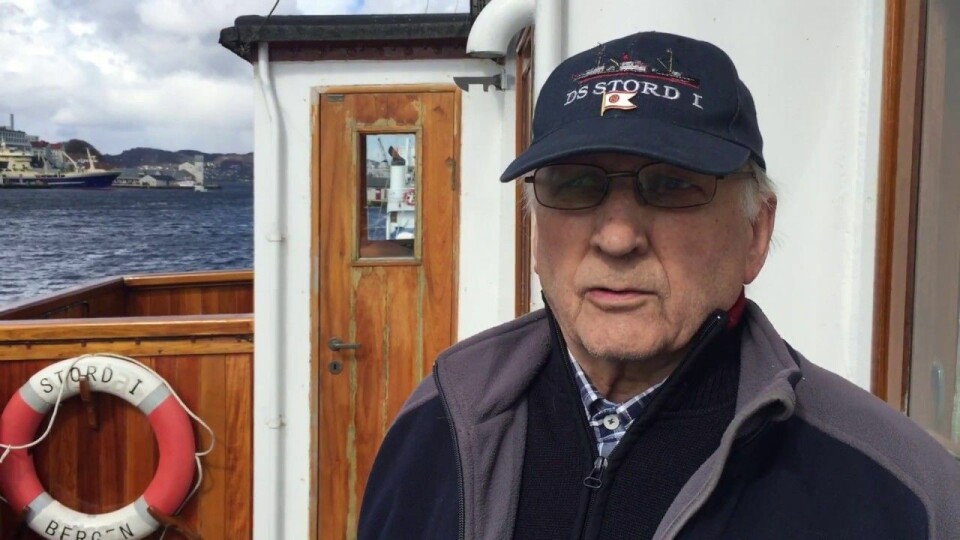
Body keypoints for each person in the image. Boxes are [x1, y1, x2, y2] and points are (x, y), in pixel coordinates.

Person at [358, 31, 960, 540]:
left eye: (672, 186)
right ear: (535, 232)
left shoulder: (900, 492)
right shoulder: (438, 425)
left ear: (756, 232)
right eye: (575, 185)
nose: (618, 238)